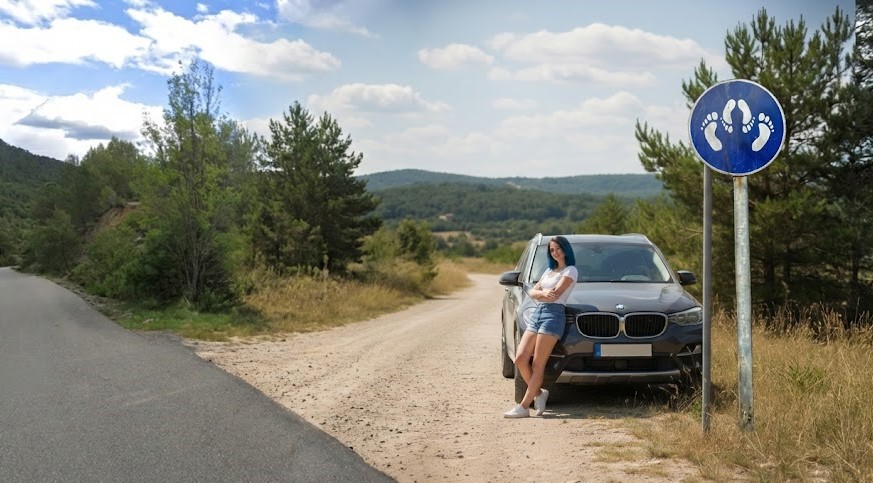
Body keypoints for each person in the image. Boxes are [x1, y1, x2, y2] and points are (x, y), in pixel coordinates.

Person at [504, 236, 578, 418]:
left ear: (566, 249)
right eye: (552, 250)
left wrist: (540, 293)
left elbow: (556, 294)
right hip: (537, 314)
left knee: (538, 363)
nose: (555, 252)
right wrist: (542, 293)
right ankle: (538, 393)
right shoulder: (549, 271)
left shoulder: (570, 271)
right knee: (520, 358)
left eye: (558, 248)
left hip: (554, 316)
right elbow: (532, 291)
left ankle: (523, 406)